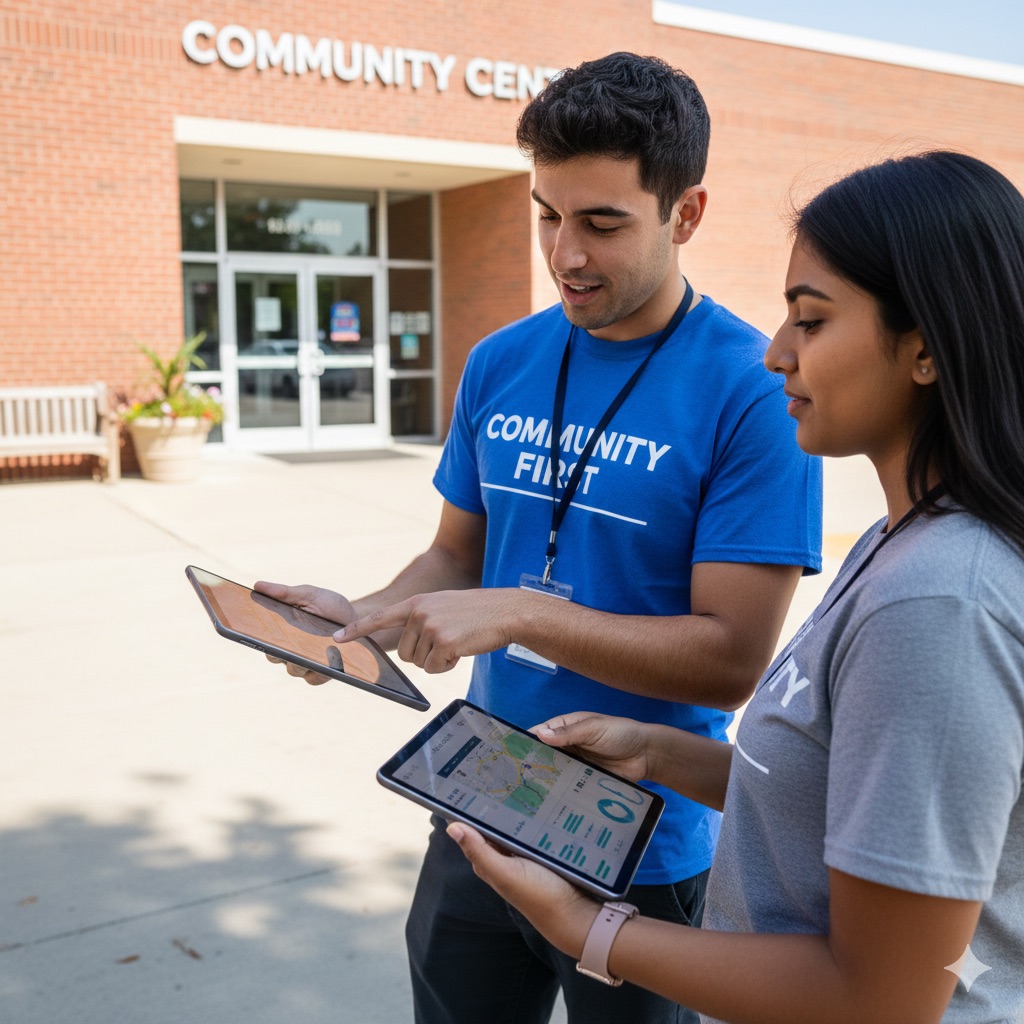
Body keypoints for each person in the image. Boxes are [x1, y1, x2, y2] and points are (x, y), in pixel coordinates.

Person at [257, 52, 821, 1024]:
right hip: (482, 789)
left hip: (638, 835)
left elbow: (729, 659)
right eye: (546, 214)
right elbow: (455, 556)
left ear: (684, 214)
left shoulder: (754, 388)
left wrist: (521, 612)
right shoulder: (501, 359)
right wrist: (364, 617)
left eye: (602, 222)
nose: (564, 253)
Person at [447, 149, 1024, 1024]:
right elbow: (840, 792)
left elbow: (881, 999)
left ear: (925, 351)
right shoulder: (900, 542)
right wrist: (656, 754)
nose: (775, 353)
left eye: (812, 322)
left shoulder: (940, 604)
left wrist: (587, 930)